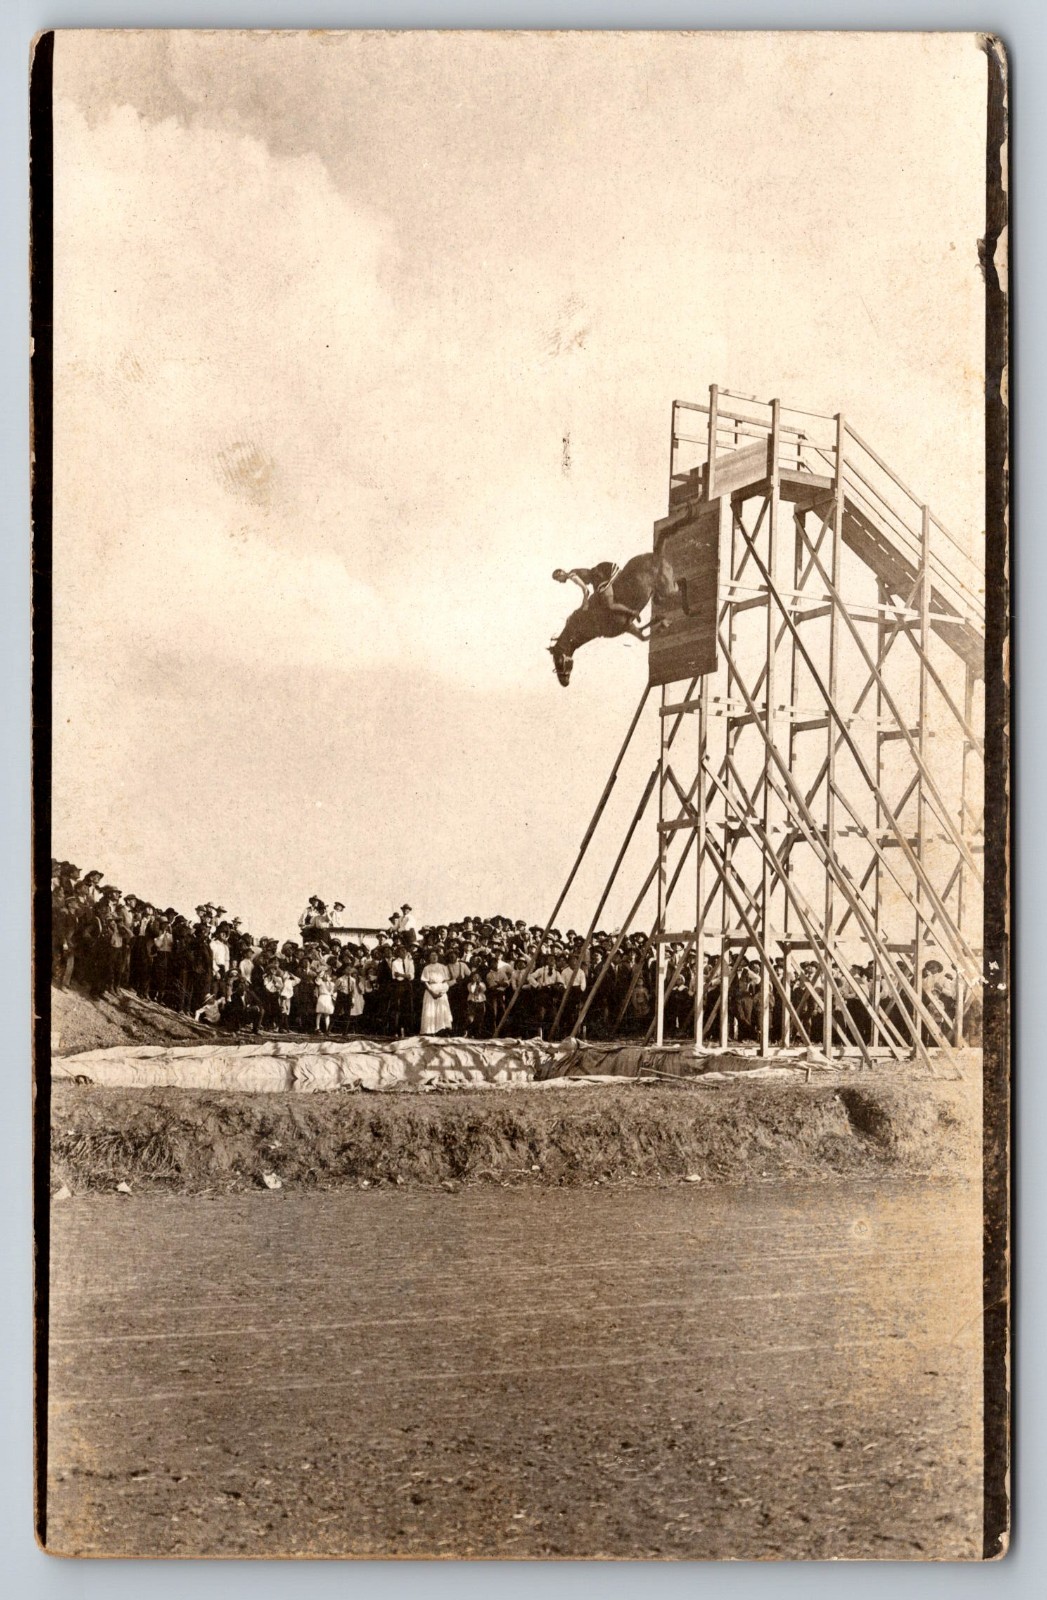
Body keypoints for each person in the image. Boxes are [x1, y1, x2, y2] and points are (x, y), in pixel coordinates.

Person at [420, 948, 453, 1036]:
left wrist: (443, 990)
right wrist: (432, 993)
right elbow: (425, 982)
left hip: (441, 989)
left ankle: (442, 1030)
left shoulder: (443, 967)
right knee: (431, 1010)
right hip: (431, 990)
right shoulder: (426, 968)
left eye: (435, 955)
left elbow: (446, 981)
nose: (434, 957)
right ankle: (430, 1031)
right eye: (432, 955)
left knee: (442, 1010)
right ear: (429, 958)